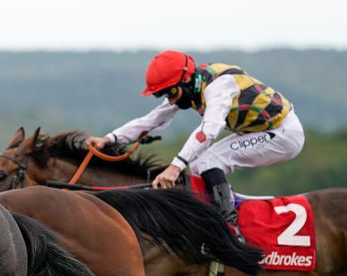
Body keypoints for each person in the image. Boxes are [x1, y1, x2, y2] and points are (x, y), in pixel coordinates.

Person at [87, 50, 305, 242]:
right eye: (164, 95)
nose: (171, 101)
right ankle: (218, 216)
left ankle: (230, 229)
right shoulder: (191, 85)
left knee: (209, 161)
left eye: (172, 93)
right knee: (199, 165)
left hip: (284, 134)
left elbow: (208, 131)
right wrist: (109, 139)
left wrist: (175, 167)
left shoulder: (218, 87)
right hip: (262, 131)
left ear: (185, 80)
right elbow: (152, 120)